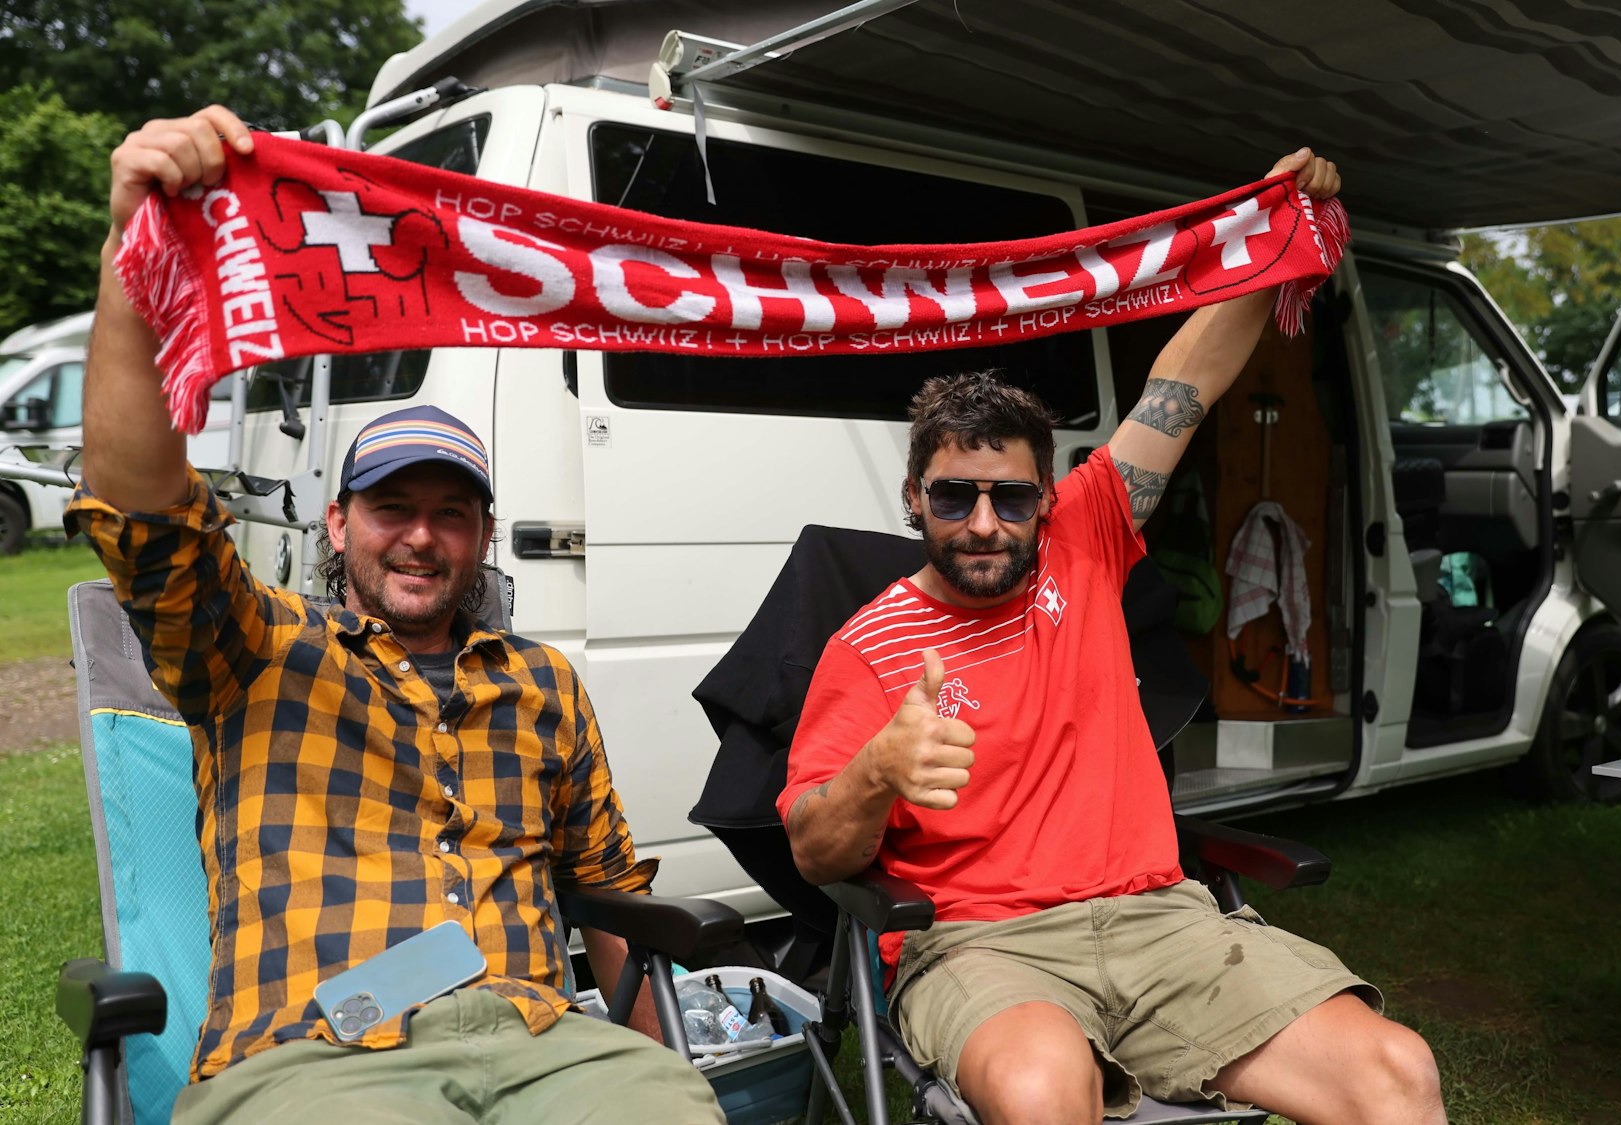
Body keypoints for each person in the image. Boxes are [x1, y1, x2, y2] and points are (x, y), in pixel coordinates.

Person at [71, 105, 725, 1125]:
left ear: (482, 535)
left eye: (449, 515)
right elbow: (145, 515)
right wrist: (130, 262)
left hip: (542, 1043)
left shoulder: (542, 683)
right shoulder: (255, 648)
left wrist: (650, 1066)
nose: (420, 538)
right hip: (316, 1058)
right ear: (337, 523)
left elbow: (607, 892)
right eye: (391, 509)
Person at [780, 151, 1446, 1124]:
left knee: (1395, 1072)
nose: (982, 520)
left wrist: (1276, 228)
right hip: (983, 945)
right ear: (912, 500)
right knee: (1047, 1090)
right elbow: (813, 851)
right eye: (953, 495)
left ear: (1045, 495)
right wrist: (878, 771)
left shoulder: (1087, 533)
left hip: (1163, 922)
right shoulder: (870, 647)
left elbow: (1189, 374)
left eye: (1010, 495)